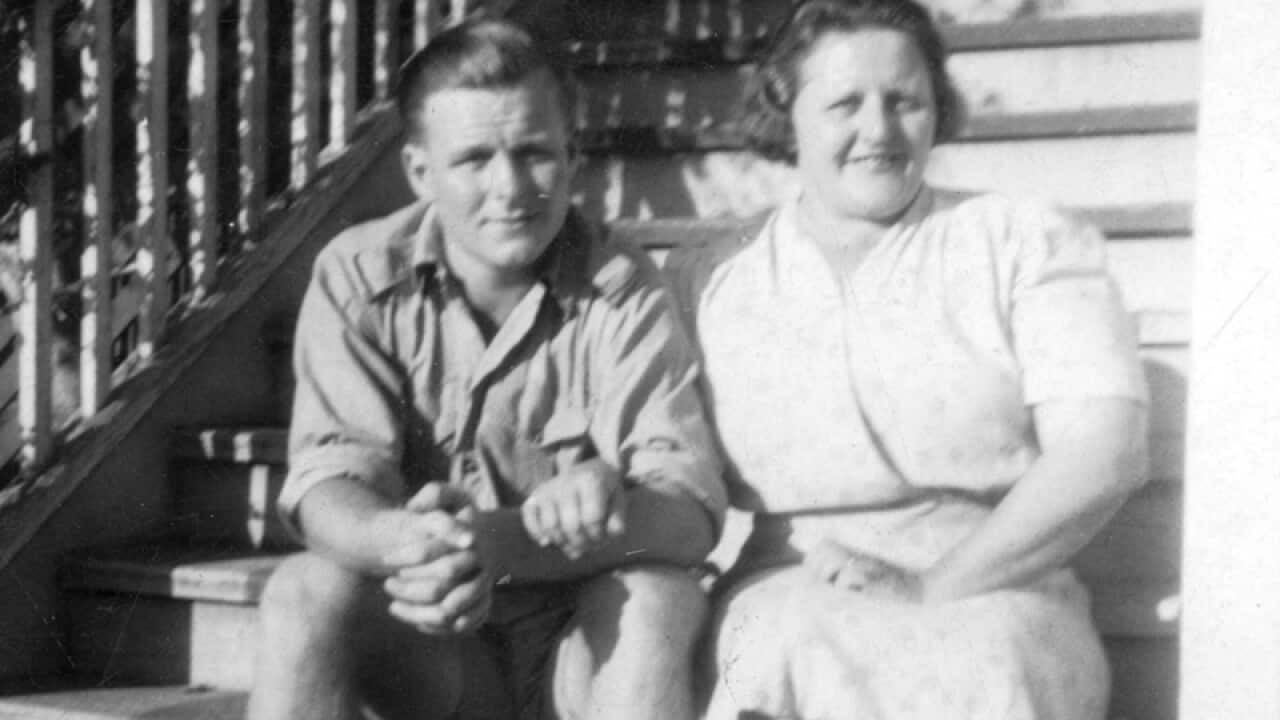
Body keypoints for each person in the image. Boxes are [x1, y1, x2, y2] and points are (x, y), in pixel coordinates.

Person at [667, 1, 1149, 718]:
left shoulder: (1020, 242)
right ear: (785, 113)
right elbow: (660, 463)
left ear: (937, 108)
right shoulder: (711, 277)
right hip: (790, 585)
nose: (879, 131)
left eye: (905, 102)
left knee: (980, 660)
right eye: (843, 104)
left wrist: (933, 586)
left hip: (996, 586)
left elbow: (1104, 455)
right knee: (780, 646)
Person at [247, 17, 725, 720]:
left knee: (658, 596)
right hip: (437, 652)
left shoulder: (624, 288)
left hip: (583, 652)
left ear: (572, 157)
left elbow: (688, 513)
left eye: (534, 152)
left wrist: (534, 527)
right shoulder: (359, 275)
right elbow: (327, 482)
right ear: (420, 171)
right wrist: (409, 544)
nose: (509, 187)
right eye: (474, 159)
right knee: (303, 592)